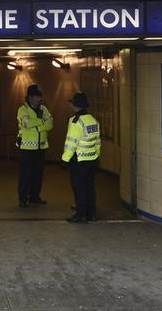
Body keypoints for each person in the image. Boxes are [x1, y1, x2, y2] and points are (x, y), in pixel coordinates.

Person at [62, 92, 101, 223]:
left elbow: (71, 142)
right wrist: (96, 156)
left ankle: (81, 214)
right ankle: (92, 214)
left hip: (79, 161)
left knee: (79, 188)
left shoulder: (75, 122)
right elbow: (97, 141)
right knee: (90, 187)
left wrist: (65, 159)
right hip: (92, 160)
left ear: (74, 105)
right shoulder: (93, 120)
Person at [16, 84, 53, 208]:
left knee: (38, 175)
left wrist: (37, 126)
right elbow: (27, 123)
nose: (39, 99)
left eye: (40, 97)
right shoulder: (23, 110)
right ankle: (22, 198)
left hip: (40, 148)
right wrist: (42, 122)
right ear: (30, 97)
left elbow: (50, 124)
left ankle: (34, 197)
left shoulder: (44, 109)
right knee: (25, 175)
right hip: (26, 149)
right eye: (37, 97)